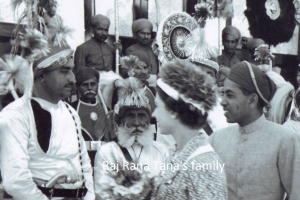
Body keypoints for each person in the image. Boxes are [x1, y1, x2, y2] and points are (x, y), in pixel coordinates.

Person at [0, 46, 95, 199]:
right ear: (41, 75)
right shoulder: (15, 115)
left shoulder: (70, 112)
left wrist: (89, 197)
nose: (73, 79)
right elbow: (16, 181)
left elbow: (84, 163)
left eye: (72, 71)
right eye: (64, 71)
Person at [209, 61, 300, 200]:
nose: (222, 101)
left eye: (230, 95)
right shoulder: (216, 139)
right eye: (223, 94)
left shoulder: (285, 139)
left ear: (252, 100)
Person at [151, 60, 227, 199]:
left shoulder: (204, 165)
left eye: (157, 106)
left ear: (173, 109)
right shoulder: (179, 153)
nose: (154, 114)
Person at [94, 77, 169, 199]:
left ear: (149, 120)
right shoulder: (108, 152)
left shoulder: (162, 151)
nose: (137, 122)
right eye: (130, 116)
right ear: (119, 121)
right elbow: (102, 194)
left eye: (141, 116)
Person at [71, 68, 114, 167]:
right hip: (82, 160)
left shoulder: (106, 110)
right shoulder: (71, 109)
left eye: (93, 84)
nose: (89, 88)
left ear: (97, 86)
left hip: (103, 160)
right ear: (77, 87)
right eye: (85, 85)